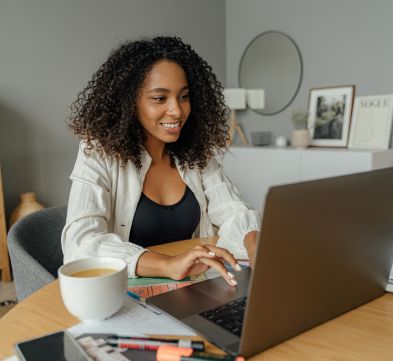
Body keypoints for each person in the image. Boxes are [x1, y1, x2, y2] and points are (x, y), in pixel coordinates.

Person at [61, 36, 260, 286]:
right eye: (159, 98)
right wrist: (168, 264)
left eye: (184, 96)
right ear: (129, 101)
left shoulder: (195, 152)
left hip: (191, 286)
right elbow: (80, 242)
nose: (177, 111)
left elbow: (232, 209)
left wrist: (255, 244)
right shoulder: (99, 152)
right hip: (123, 293)